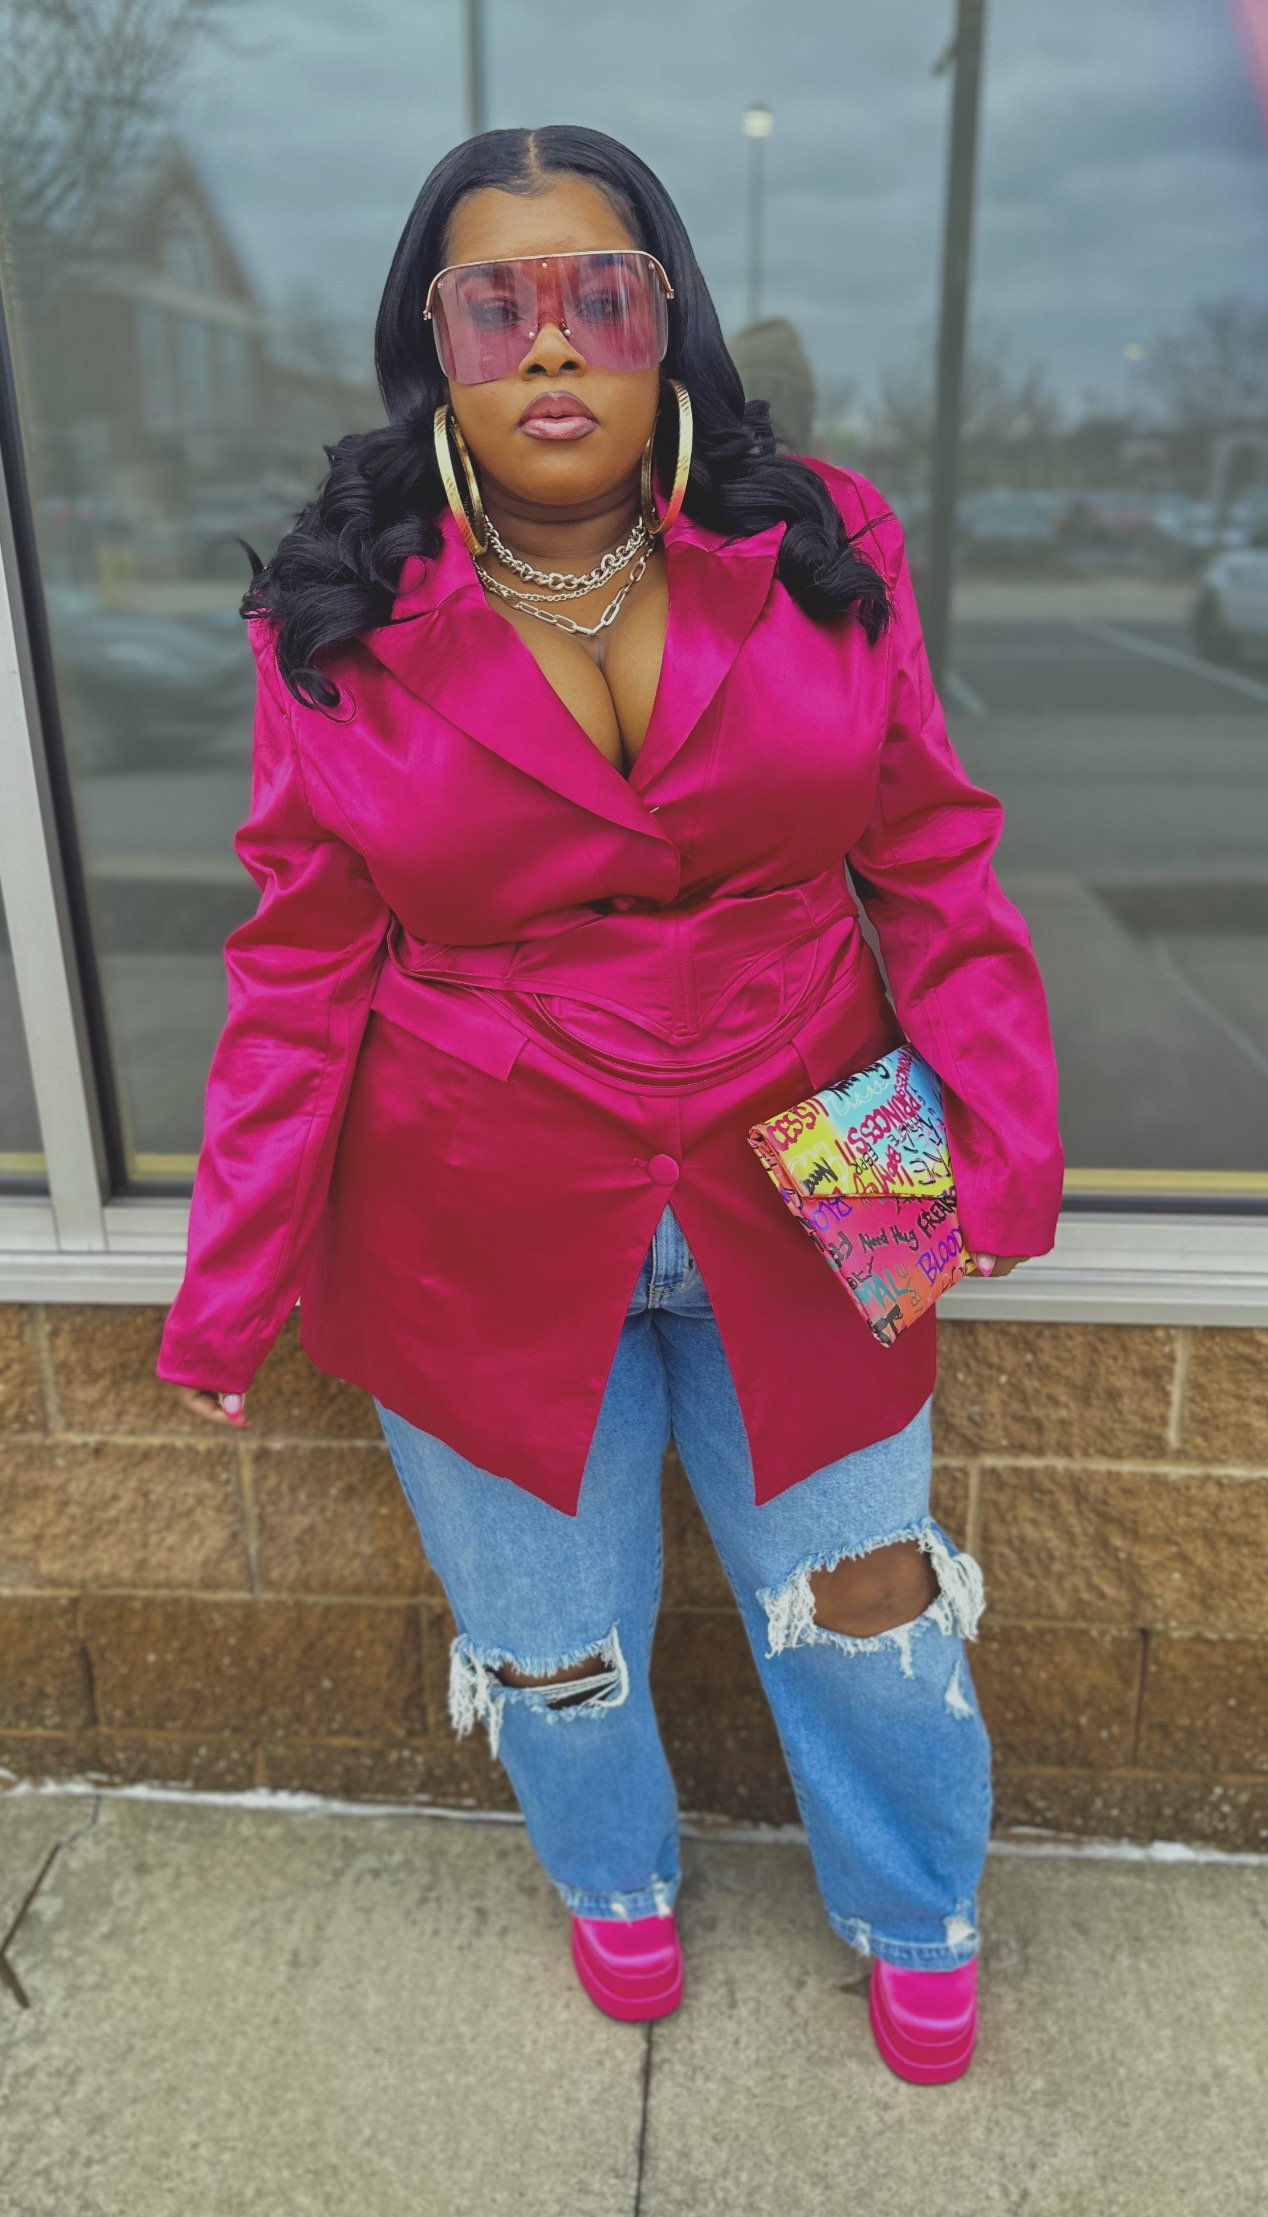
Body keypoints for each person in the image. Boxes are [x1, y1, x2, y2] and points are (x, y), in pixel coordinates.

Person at [156, 125, 1063, 2085]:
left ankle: (918, 1901)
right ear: (436, 343)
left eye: (598, 295)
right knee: (549, 1634)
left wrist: (998, 1135)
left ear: (667, 321)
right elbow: (298, 965)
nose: (551, 342)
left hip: (834, 1123)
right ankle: (613, 1876)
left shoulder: (822, 540)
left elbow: (931, 850)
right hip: (466, 1181)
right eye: (498, 303)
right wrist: (227, 1285)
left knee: (872, 1594)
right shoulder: (334, 607)